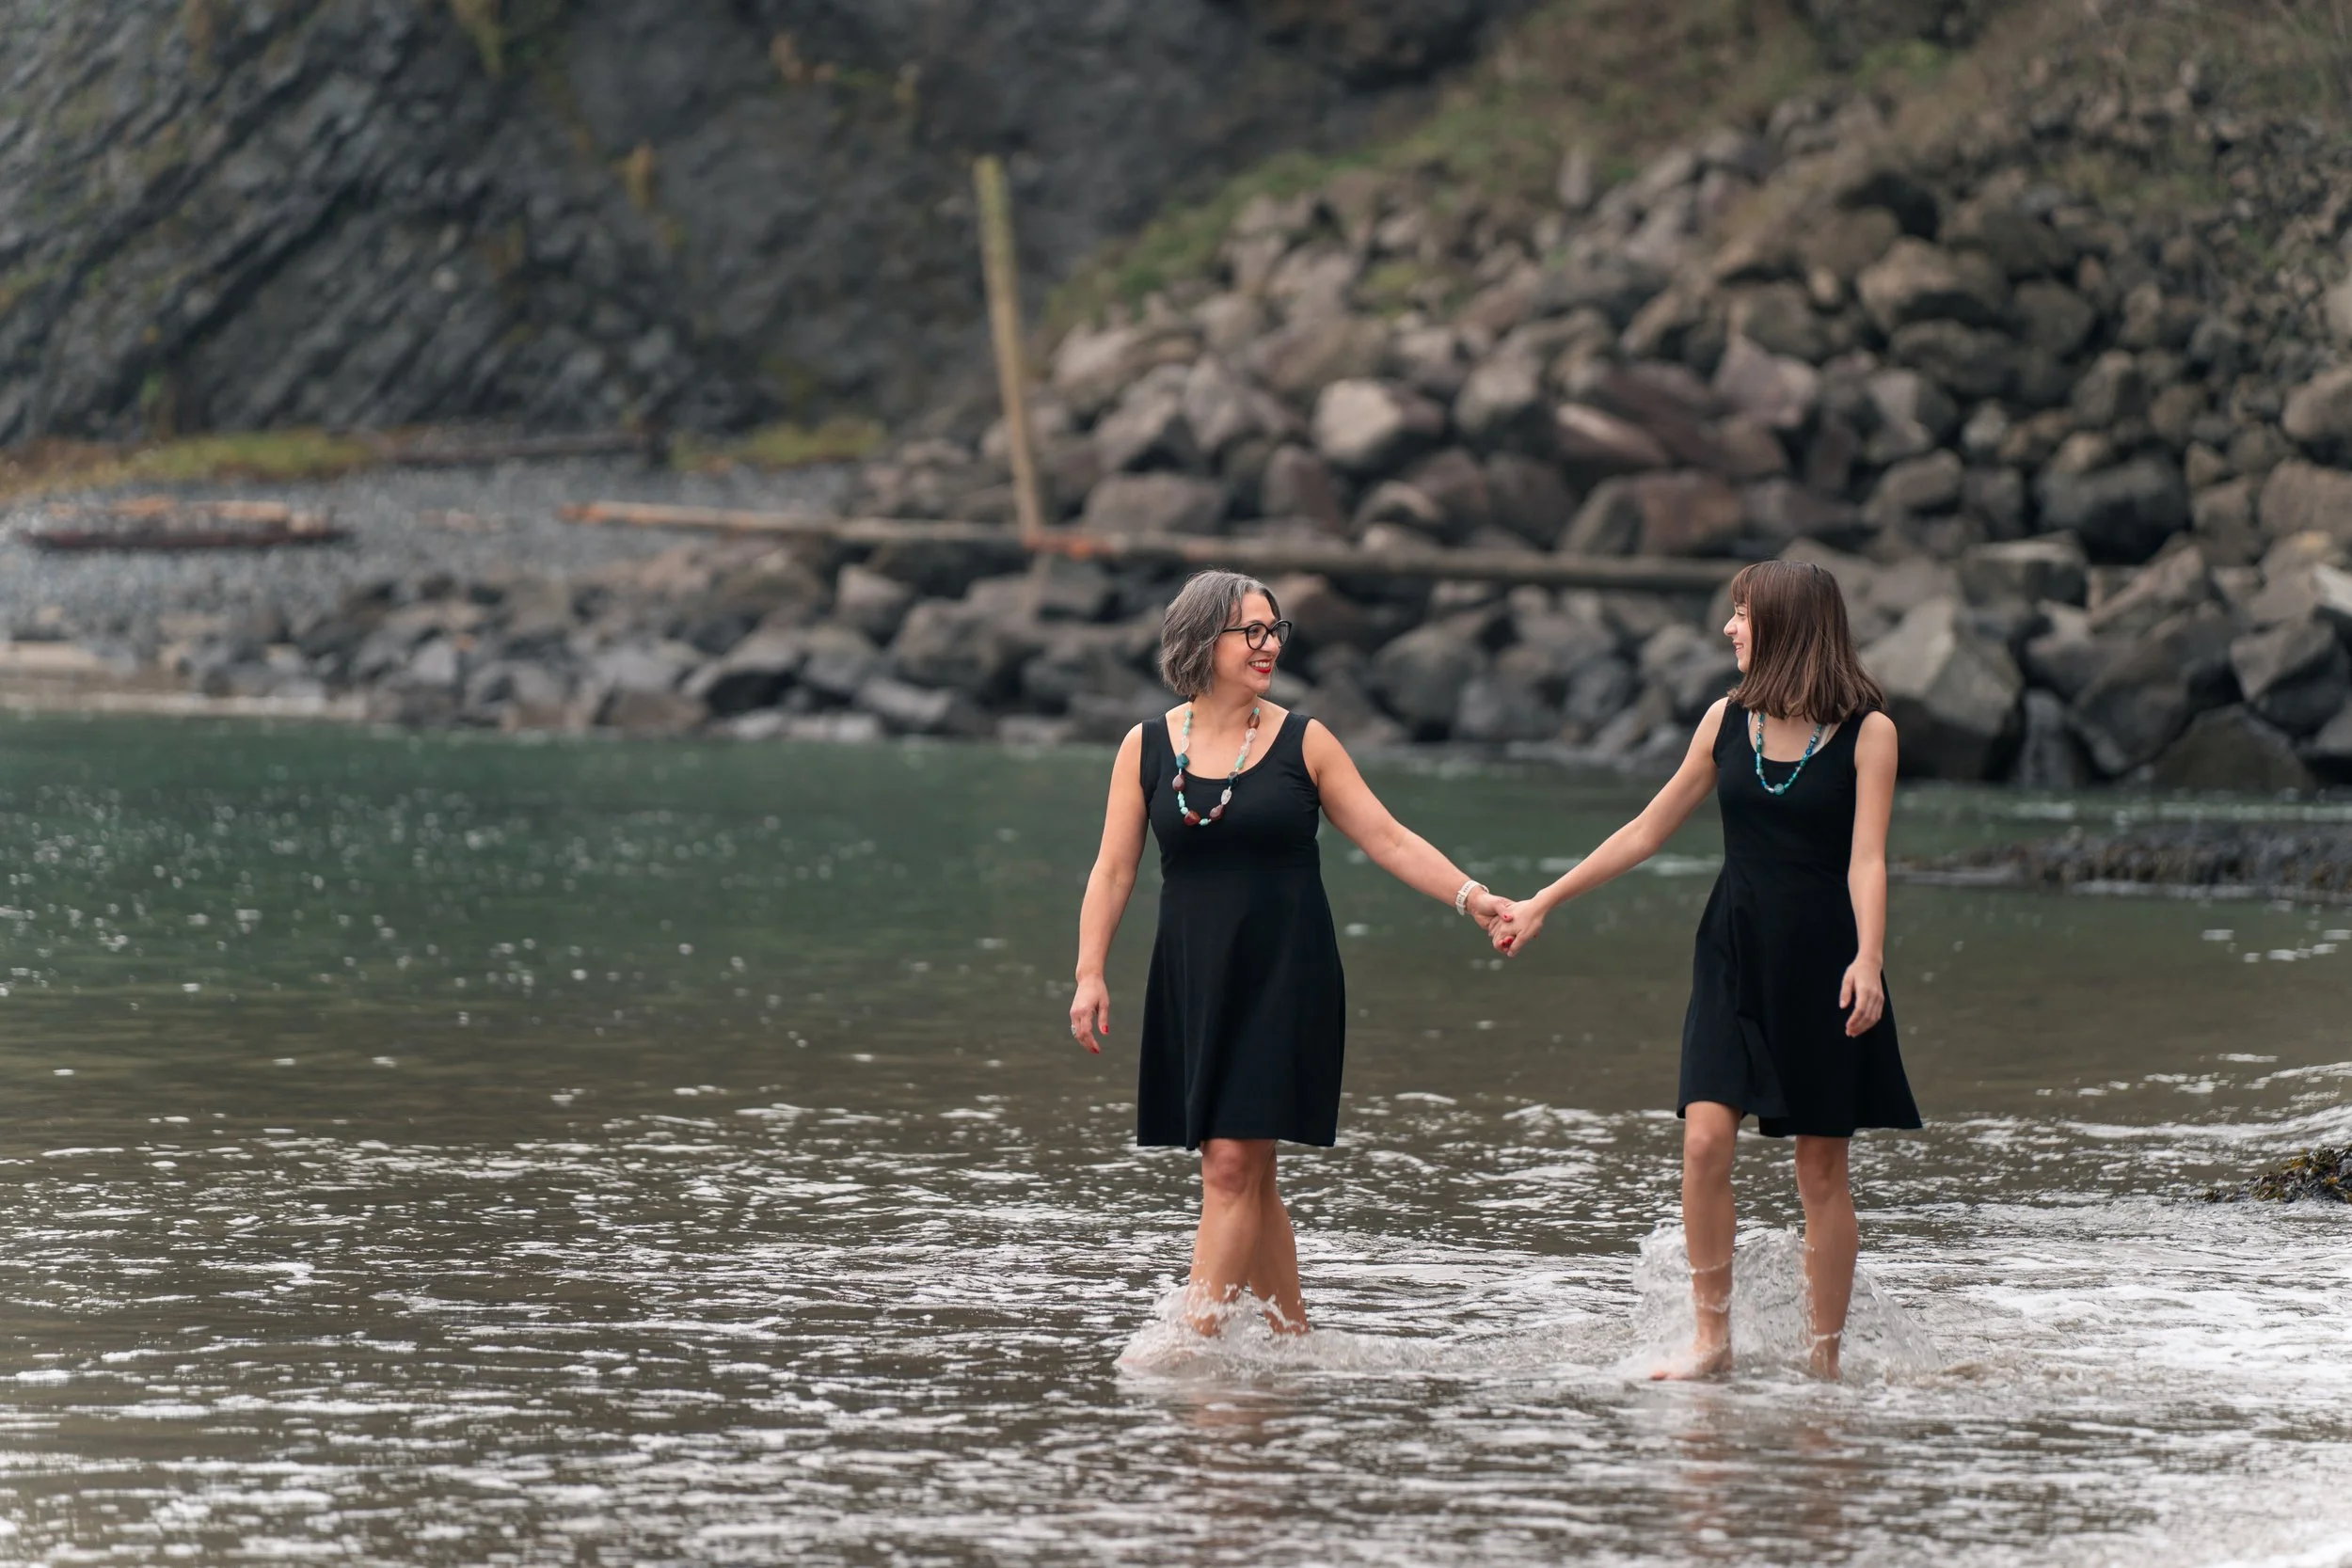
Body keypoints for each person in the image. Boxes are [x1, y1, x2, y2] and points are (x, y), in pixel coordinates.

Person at [1492, 559, 1919, 1381]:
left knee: (1820, 1166)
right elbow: (1646, 830)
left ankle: (1824, 1363)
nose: (1729, 628)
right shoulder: (1728, 721)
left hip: (1827, 959)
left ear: (1788, 626)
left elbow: (1868, 859)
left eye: (1743, 615)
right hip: (1732, 949)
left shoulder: (1870, 733)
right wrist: (1544, 899)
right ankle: (1711, 1342)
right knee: (1703, 1142)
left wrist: (1870, 959)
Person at [1070, 569, 1512, 1338]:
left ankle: (1189, 1344)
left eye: (1276, 631)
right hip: (1195, 975)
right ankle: (1292, 1339)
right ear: (1204, 639)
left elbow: (1388, 837)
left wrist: (1475, 898)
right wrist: (1089, 971)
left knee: (1232, 1165)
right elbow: (1113, 869)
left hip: (1284, 973)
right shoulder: (1145, 746)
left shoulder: (1305, 741)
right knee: (1253, 1173)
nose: (1270, 644)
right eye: (1254, 631)